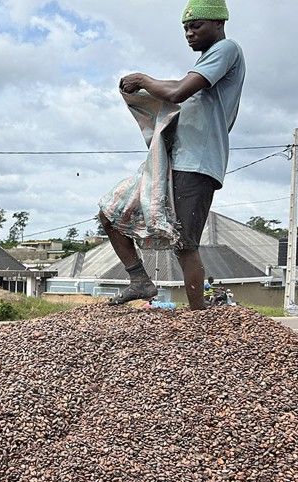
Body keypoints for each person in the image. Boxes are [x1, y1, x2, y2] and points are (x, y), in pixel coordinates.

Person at [101, 0, 245, 310]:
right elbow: (175, 87)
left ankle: (198, 316)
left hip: (199, 162)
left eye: (196, 26)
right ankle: (139, 280)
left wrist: (143, 80)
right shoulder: (206, 61)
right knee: (111, 213)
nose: (189, 33)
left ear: (219, 23)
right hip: (170, 160)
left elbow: (178, 91)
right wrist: (143, 91)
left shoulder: (227, 49)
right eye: (185, 28)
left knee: (184, 242)